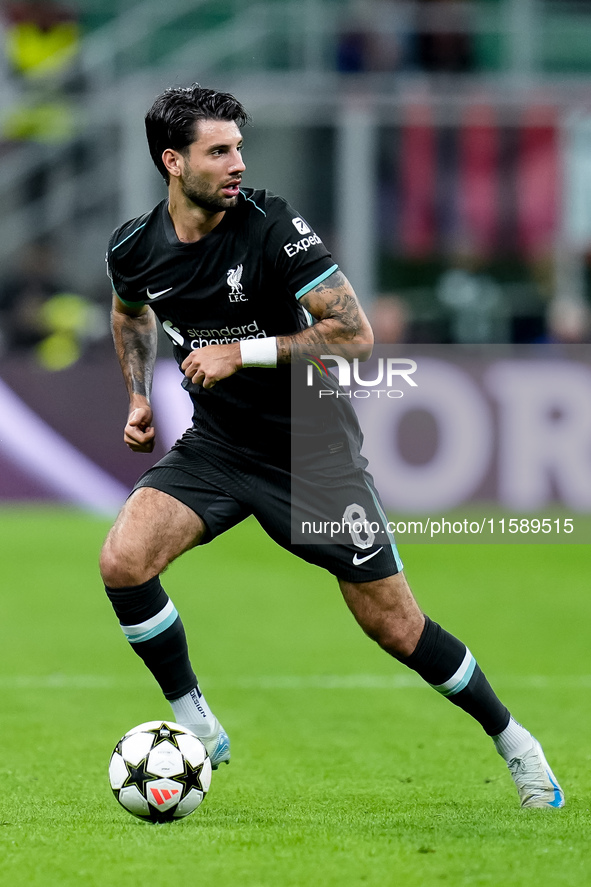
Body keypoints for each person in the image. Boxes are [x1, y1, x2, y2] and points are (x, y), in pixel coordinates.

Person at [100, 83, 564, 808]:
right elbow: (130, 313)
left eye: (239, 148)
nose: (236, 163)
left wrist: (241, 352)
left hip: (312, 451)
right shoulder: (134, 246)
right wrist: (135, 393)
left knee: (395, 626)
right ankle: (193, 716)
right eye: (218, 151)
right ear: (172, 162)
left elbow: (355, 335)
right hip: (219, 446)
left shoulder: (270, 226)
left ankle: (515, 740)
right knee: (122, 561)